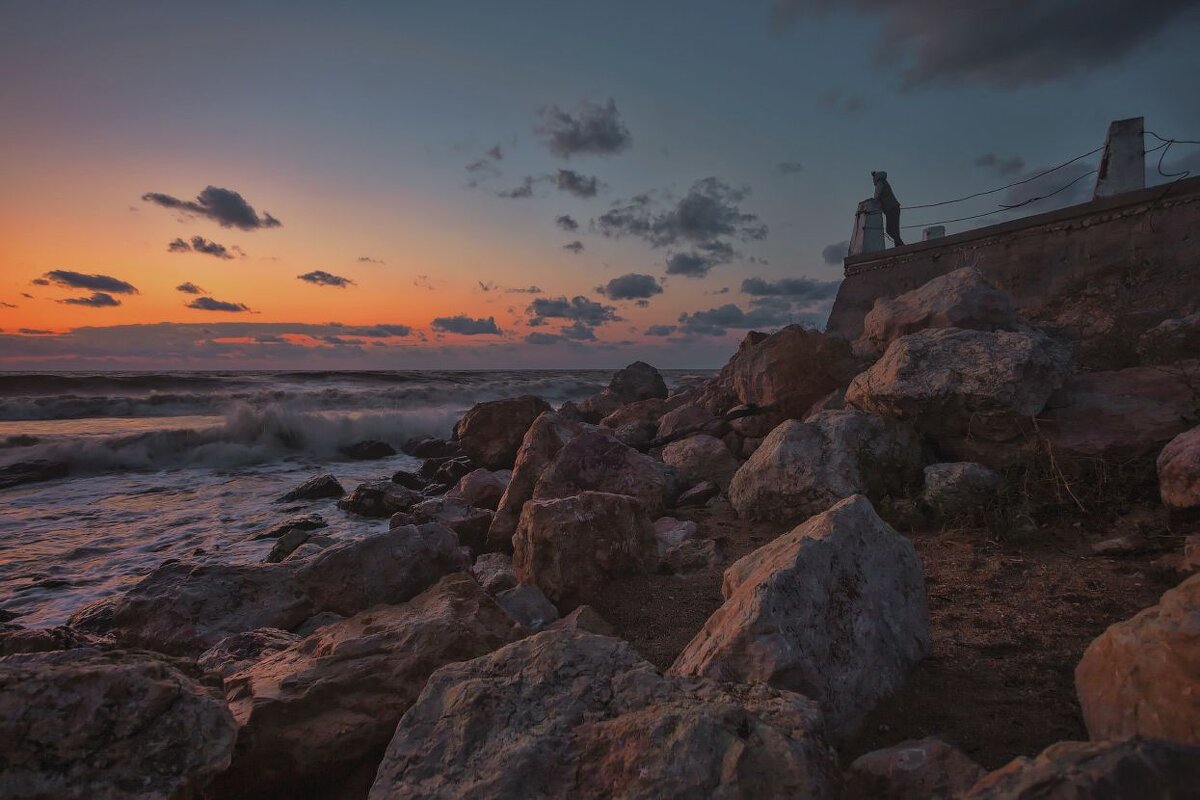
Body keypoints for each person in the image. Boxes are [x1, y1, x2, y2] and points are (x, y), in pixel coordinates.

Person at [872, 170, 904, 246]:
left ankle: (900, 245)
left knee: (890, 230)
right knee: (894, 230)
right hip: (893, 208)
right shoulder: (884, 182)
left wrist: (873, 203)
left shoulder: (880, 183)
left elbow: (876, 196)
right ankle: (899, 245)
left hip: (891, 208)